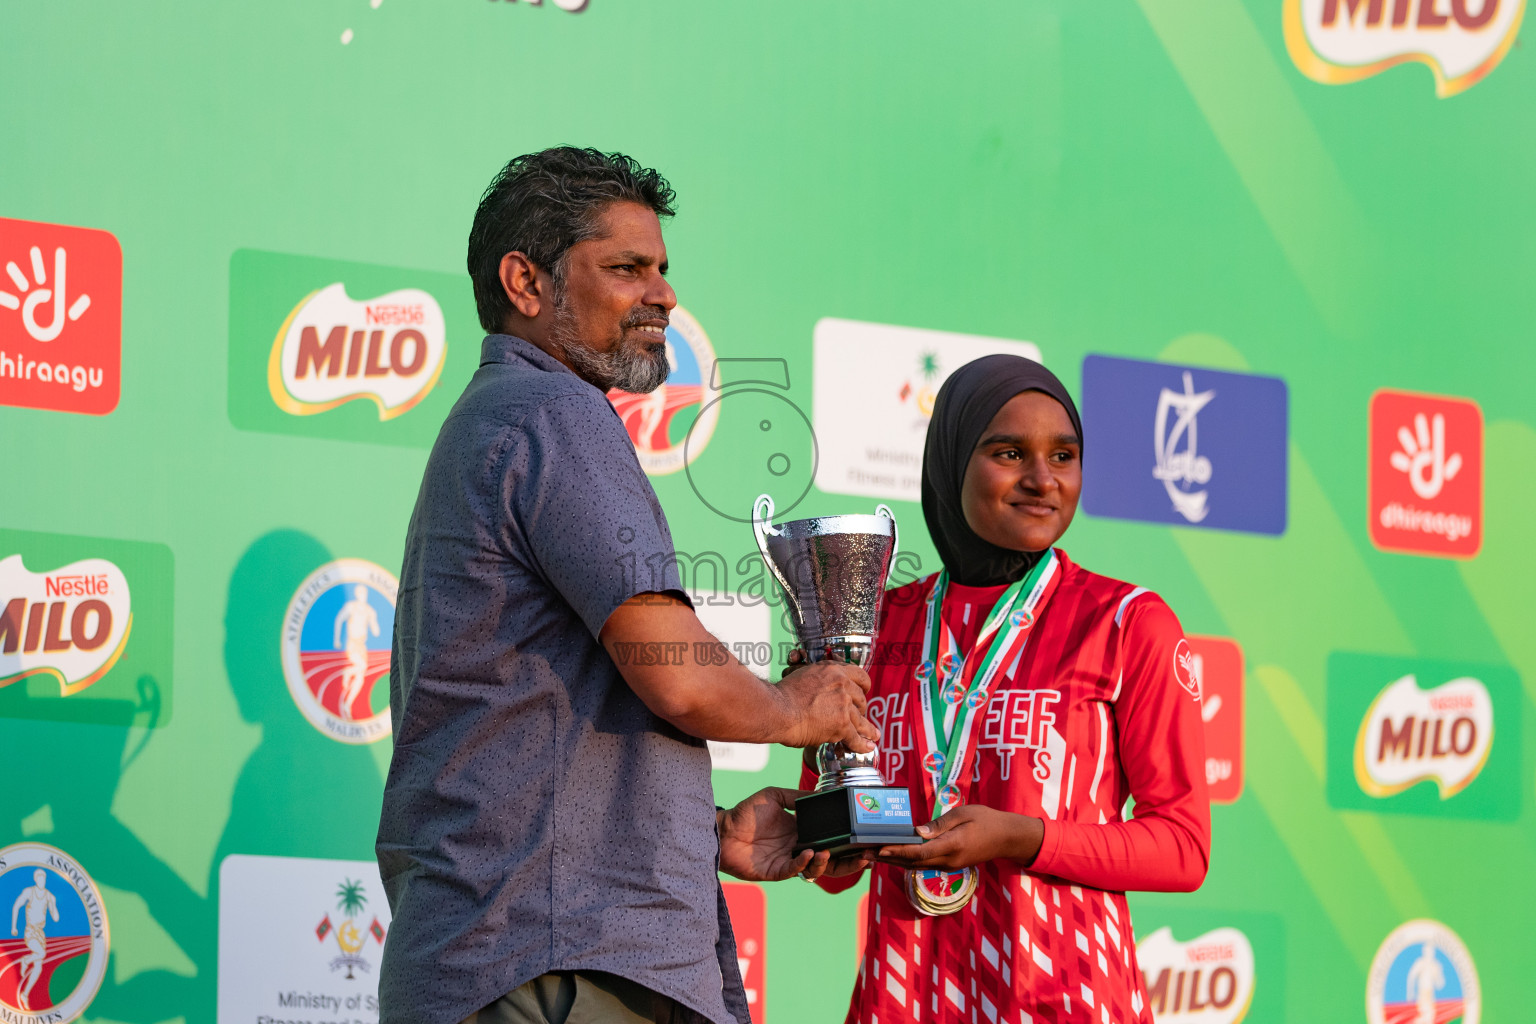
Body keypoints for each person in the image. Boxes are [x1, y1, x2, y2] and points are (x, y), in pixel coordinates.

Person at [376, 147, 877, 1024]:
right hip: (558, 966)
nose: (664, 294)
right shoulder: (555, 413)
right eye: (626, 268)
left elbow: (527, 728)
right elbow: (676, 672)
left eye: (664, 269)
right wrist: (800, 710)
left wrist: (699, 834)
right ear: (524, 283)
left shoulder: (493, 422)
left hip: (516, 955)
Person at [799, 355, 1210, 1023]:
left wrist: (1026, 837)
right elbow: (838, 870)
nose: (1043, 480)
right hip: (902, 1001)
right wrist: (804, 830)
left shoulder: (1125, 622)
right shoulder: (875, 626)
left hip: (1060, 1001)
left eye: (1065, 455)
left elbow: (1183, 848)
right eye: (1009, 452)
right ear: (952, 458)